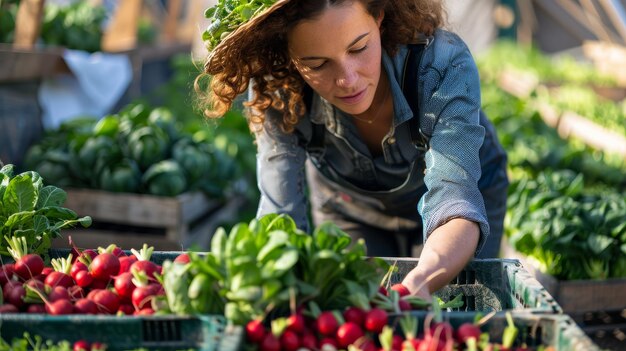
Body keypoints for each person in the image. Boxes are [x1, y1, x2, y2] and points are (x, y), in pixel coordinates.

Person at [197, 0, 508, 299]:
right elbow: (281, 215)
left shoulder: (439, 64)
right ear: (289, 56)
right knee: (355, 312)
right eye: (317, 64)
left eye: (359, 48)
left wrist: (421, 282)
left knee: (454, 314)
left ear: (380, 17)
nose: (347, 79)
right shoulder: (276, 90)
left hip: (461, 209)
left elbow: (455, 199)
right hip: (348, 208)